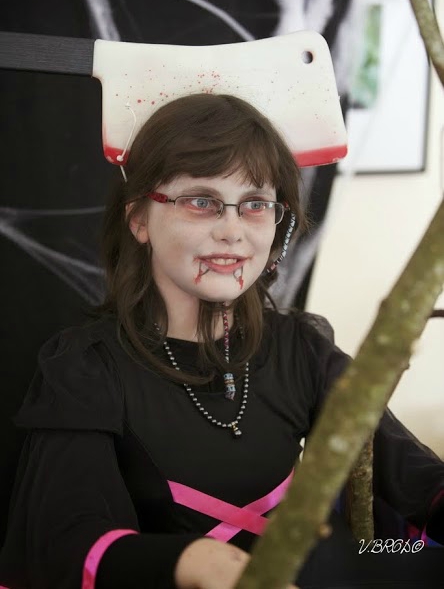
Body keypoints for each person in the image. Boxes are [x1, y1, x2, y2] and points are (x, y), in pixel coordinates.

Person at [0, 93, 443, 589]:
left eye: (255, 205)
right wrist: (194, 561)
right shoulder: (86, 369)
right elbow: (64, 540)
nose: (232, 232)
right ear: (139, 218)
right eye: (201, 202)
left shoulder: (302, 348)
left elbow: (417, 481)